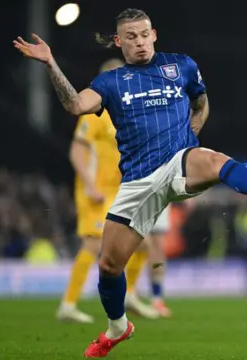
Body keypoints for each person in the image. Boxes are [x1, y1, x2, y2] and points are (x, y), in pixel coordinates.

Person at [14, 8, 247, 358]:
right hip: (138, 183)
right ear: (118, 41)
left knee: (214, 160)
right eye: (131, 36)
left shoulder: (181, 66)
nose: (140, 42)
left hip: (179, 161)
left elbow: (201, 103)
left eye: (144, 35)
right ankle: (118, 327)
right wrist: (51, 63)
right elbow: (75, 105)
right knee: (109, 265)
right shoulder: (111, 82)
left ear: (154, 34)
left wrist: (191, 137)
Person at [57, 58, 158, 323]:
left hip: (120, 191)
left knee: (143, 244)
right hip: (97, 191)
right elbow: (77, 150)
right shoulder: (94, 113)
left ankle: (130, 295)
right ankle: (68, 304)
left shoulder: (124, 114)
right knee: (93, 244)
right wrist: (91, 185)